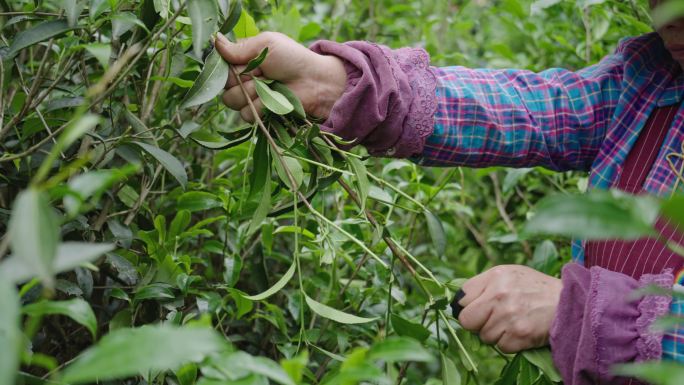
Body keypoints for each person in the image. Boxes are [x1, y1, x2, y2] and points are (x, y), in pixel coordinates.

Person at [213, 0, 684, 383]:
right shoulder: (652, 81)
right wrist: (330, 84)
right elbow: (535, 110)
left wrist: (583, 313)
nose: (668, 18)